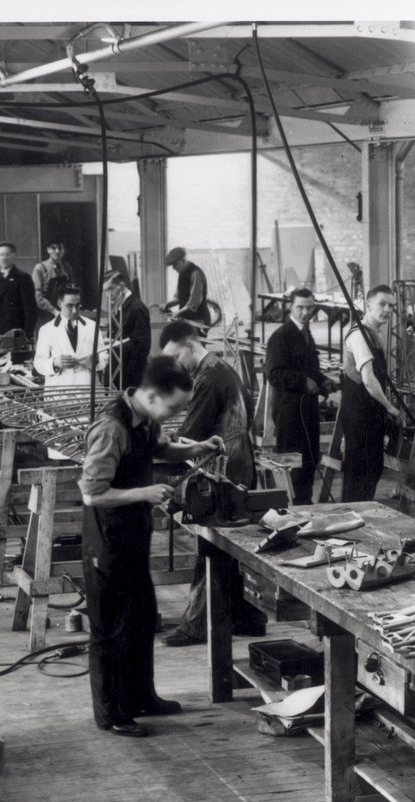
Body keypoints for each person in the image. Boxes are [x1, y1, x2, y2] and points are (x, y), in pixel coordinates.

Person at [80, 356, 224, 737]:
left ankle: (141, 696)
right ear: (150, 395)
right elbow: (92, 493)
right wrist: (144, 491)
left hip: (133, 533)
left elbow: (161, 450)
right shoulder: (111, 428)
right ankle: (111, 713)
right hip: (106, 539)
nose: (177, 414)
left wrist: (198, 447)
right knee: (109, 628)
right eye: (174, 407)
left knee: (142, 618)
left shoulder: (147, 419)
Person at [159, 320, 267, 648]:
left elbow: (192, 434)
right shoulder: (223, 369)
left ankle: (196, 625)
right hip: (238, 465)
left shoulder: (207, 378)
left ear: (190, 347)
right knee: (229, 547)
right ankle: (247, 617)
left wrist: (161, 440)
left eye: (177, 358)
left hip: (223, 472)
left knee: (211, 547)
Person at [338, 284, 403, 502]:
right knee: (359, 473)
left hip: (369, 413)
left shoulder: (373, 333)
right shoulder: (359, 335)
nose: (387, 310)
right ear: (368, 305)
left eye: (391, 306)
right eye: (382, 304)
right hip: (359, 414)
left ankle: (359, 520)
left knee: (371, 470)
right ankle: (351, 521)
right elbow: (368, 380)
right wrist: (390, 407)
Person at [266, 287, 327, 504]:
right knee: (291, 462)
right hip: (289, 411)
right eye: (300, 307)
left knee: (310, 459)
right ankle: (289, 508)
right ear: (290, 307)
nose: (305, 312)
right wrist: (303, 382)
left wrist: (322, 381)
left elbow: (308, 368)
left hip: (308, 408)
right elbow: (274, 374)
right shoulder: (281, 336)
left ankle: (305, 503)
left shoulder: (306, 333)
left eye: (309, 307)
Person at [32, 285, 105, 392]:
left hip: (87, 389)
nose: (75, 310)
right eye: (69, 306)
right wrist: (55, 363)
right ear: (59, 303)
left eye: (78, 305)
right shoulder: (46, 330)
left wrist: (96, 360)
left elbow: (104, 356)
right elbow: (38, 363)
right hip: (60, 393)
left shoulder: (92, 327)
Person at [103, 271, 152, 389]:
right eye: (105, 291)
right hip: (117, 372)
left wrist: (115, 345)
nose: (108, 295)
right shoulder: (118, 305)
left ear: (121, 285)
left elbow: (142, 346)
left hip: (129, 375)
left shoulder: (137, 308)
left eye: (110, 289)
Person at [0, 241, 37, 339]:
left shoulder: (23, 277)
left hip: (16, 333)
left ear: (13, 256)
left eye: (7, 254)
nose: (4, 258)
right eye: (0, 255)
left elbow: (30, 311)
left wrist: (26, 335)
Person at [163, 247, 213, 327]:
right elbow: (179, 298)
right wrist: (167, 305)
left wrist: (177, 313)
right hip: (188, 319)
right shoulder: (182, 274)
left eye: (175, 264)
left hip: (199, 320)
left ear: (183, 260)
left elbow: (194, 303)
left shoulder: (195, 273)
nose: (173, 268)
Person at [32, 238, 76, 326]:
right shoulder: (40, 268)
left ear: (63, 250)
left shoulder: (67, 268)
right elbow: (37, 297)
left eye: (60, 248)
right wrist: (54, 311)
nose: (57, 251)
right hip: (44, 316)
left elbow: (72, 291)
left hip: (64, 314)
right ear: (48, 250)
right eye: (53, 248)